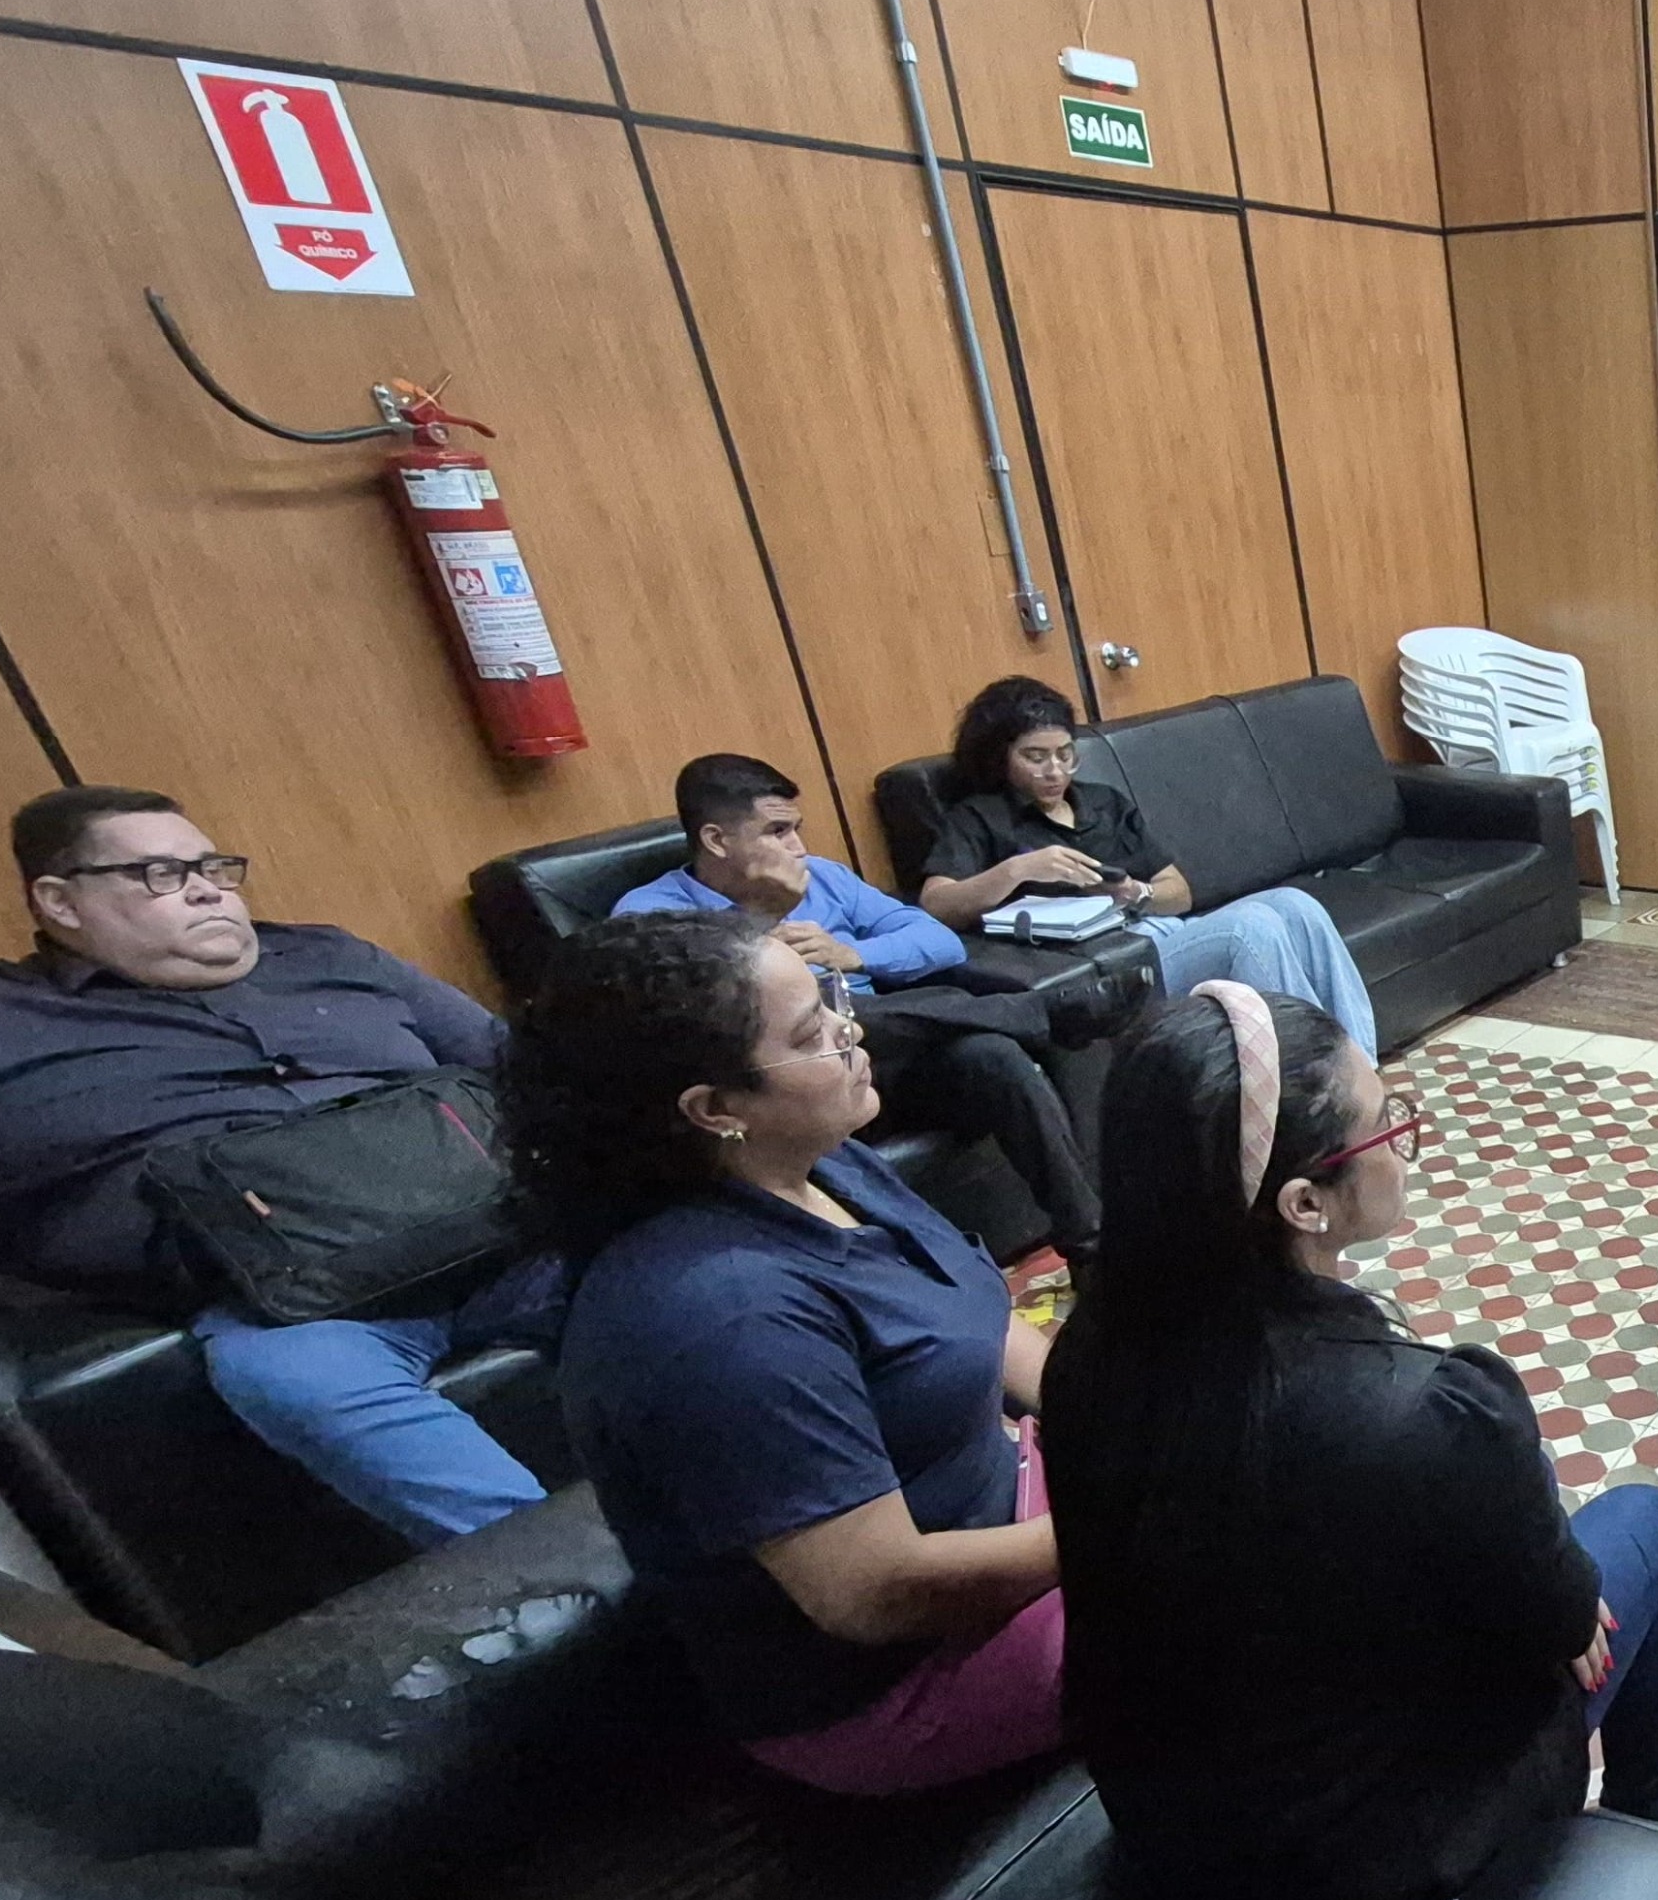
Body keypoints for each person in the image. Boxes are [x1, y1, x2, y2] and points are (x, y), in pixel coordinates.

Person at [1046, 980, 1658, 1900]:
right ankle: (1637, 1855)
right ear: (1304, 1204)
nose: (1402, 1144)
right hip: (1367, 1879)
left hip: (1175, 1845)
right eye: (1385, 1127)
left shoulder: (1086, 1356)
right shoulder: (1427, 1413)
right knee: (1648, 1526)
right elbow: (1561, 1621)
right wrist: (1542, 1575)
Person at [504, 911, 1065, 1792]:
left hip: (1014, 1522)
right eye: (810, 1033)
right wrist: (1134, 1515)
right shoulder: (722, 1316)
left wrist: (1121, 1408)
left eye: (832, 999)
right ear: (715, 1109)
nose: (850, 1029)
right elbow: (876, 1595)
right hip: (906, 1681)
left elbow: (978, 1318)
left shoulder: (822, 1166)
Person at [0, 787, 552, 1544]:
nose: (207, 889)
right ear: (61, 902)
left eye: (213, 867)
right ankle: (585, 1574)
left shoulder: (329, 956)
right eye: (159, 873)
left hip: (507, 1232)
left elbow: (528, 1069)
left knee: (672, 1255)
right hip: (300, 1304)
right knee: (294, 1380)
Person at [613, 753, 1104, 1263]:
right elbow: (714, 1026)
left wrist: (853, 954)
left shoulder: (824, 878)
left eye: (797, 829)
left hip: (885, 1057)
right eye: (777, 832)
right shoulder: (651, 916)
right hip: (790, 1082)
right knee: (831, 1013)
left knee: (993, 1057)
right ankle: (1036, 1012)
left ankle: (1092, 1247)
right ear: (717, 840)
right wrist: (761, 918)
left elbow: (940, 942)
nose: (798, 848)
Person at [916, 676, 1376, 1041]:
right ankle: (1308, 1091)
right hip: (1116, 968)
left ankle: (1360, 1070)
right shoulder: (979, 818)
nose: (1054, 771)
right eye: (1034, 757)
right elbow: (936, 904)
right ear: (1000, 758)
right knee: (1250, 927)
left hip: (1165, 933)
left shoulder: (1103, 803)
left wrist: (1135, 892)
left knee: (1296, 905)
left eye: (1065, 754)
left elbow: (1180, 893)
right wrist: (1019, 869)